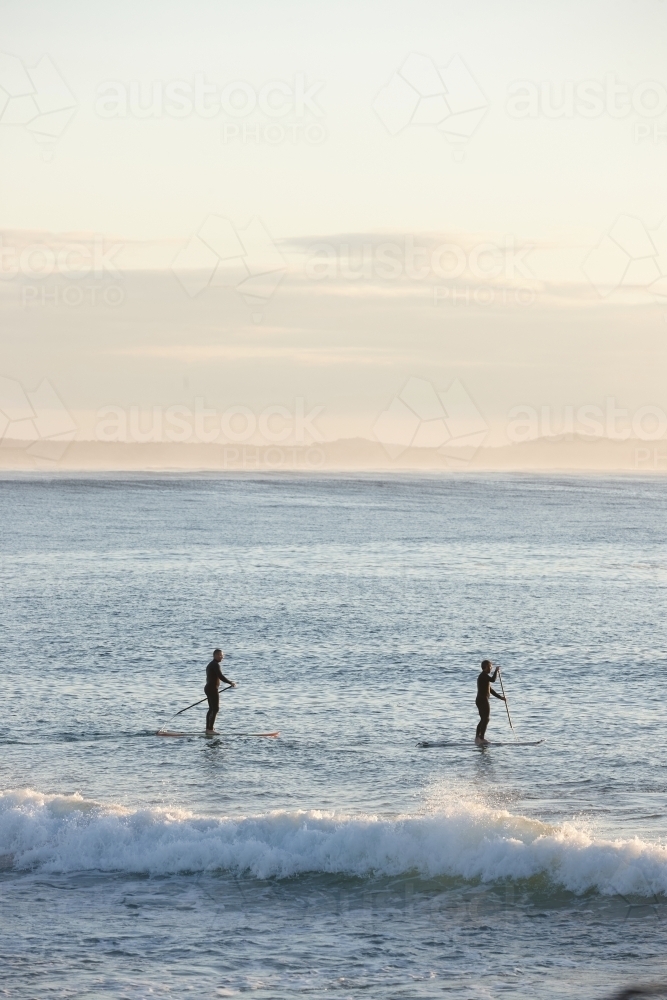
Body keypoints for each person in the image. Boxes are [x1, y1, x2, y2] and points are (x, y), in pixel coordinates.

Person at [205, 649, 236, 733]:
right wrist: (230, 682)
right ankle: (210, 729)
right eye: (220, 655)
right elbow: (220, 676)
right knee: (215, 709)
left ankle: (208, 728)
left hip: (208, 688)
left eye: (222, 655)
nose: (222, 657)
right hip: (212, 688)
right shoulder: (215, 665)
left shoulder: (211, 664)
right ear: (215, 655)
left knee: (211, 709)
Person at [475, 659, 505, 745]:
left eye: (491, 667)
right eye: (490, 667)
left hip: (480, 700)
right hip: (482, 700)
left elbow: (490, 690)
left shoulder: (484, 677)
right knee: (486, 718)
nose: (491, 668)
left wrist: (500, 697)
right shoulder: (483, 676)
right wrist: (496, 671)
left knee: (483, 719)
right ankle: (481, 738)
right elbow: (493, 680)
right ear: (485, 667)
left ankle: (478, 737)